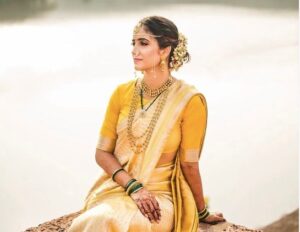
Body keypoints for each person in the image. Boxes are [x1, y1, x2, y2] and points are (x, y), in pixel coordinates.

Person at [67, 15, 226, 232]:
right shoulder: (121, 93)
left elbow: (189, 165)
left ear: (164, 50)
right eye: (133, 43)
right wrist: (133, 187)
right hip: (119, 190)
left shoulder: (188, 100)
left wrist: (201, 212)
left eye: (143, 43)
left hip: (160, 199)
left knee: (109, 222)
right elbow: (102, 153)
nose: (134, 50)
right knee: (98, 219)